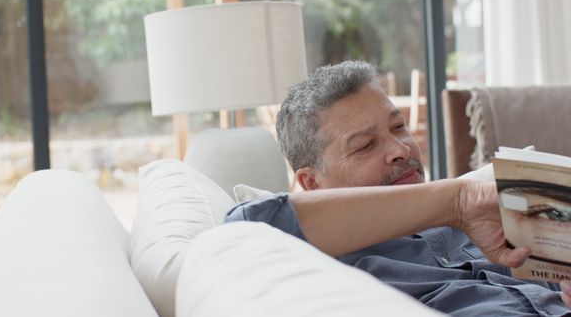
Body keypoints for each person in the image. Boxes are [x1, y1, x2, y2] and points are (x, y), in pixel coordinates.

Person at [225, 60, 571, 316]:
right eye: (365, 146)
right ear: (311, 183)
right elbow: (242, 232)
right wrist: (456, 201)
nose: (401, 150)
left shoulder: (491, 216)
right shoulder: (324, 260)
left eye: (399, 126)